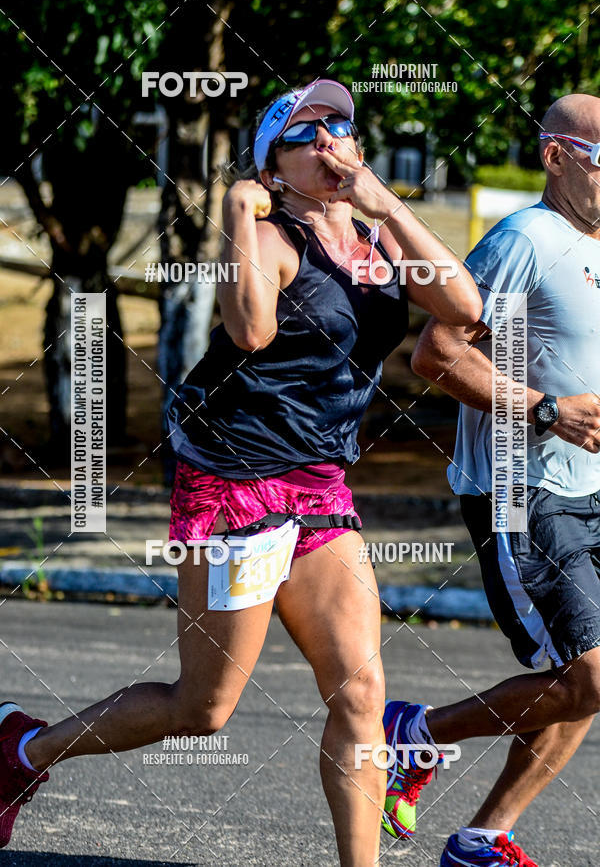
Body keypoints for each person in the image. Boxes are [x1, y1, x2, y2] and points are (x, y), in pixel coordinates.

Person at [0, 78, 481, 865]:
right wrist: (233, 213)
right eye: (307, 135)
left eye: (342, 128)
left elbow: (461, 309)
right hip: (233, 481)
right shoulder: (268, 237)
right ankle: (22, 754)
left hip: (320, 481)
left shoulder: (379, 238)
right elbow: (251, 331)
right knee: (205, 708)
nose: (330, 142)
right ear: (274, 168)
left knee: (361, 694)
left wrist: (387, 205)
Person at [382, 93, 600, 867]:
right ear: (556, 157)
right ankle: (412, 735)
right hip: (522, 488)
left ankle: (482, 836)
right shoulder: (525, 239)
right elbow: (436, 354)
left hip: (593, 490)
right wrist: (545, 410)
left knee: (584, 680)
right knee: (589, 674)